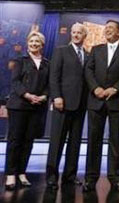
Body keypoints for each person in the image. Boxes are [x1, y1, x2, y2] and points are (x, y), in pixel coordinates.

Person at [83, 20, 119, 192]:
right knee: (93, 140)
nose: (107, 30)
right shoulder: (96, 49)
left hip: (117, 101)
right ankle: (91, 178)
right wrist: (96, 88)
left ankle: (115, 178)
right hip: (96, 100)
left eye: (111, 28)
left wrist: (115, 88)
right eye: (106, 28)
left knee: (116, 141)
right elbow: (88, 71)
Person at [46, 23, 89, 190]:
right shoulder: (61, 50)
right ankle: (51, 176)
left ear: (84, 35)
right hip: (62, 103)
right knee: (57, 142)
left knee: (75, 143)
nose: (76, 35)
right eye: (74, 32)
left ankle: (69, 176)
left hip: (81, 105)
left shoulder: (88, 54)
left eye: (79, 33)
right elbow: (53, 76)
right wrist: (56, 96)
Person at [4, 31, 49, 190]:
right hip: (19, 106)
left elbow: (48, 85)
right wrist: (28, 95)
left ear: (42, 45)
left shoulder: (46, 63)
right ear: (28, 43)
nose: (34, 44)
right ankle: (10, 174)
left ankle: (22, 172)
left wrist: (44, 96)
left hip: (36, 107)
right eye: (32, 41)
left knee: (28, 141)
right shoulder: (20, 60)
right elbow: (15, 82)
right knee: (15, 141)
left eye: (37, 42)